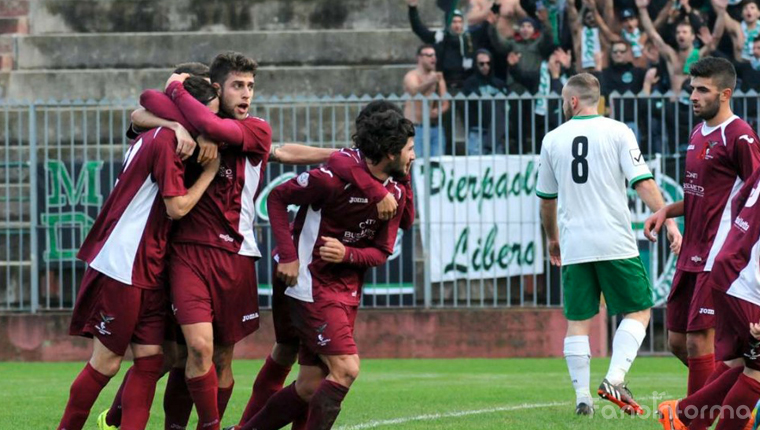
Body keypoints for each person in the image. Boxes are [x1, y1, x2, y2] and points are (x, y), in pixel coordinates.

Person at [234, 100, 416, 429]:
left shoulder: (395, 192)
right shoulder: (333, 178)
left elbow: (383, 249)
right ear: (390, 151)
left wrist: (347, 254)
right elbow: (277, 198)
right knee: (344, 367)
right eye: (410, 148)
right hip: (309, 284)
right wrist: (289, 256)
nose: (415, 155)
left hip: (344, 291)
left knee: (306, 383)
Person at [56, 77, 222, 430]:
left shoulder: (163, 132)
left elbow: (143, 110)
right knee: (107, 362)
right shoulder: (164, 141)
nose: (211, 124)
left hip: (147, 264)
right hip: (124, 263)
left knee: (150, 360)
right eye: (208, 115)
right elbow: (176, 208)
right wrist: (209, 173)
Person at [536, 72, 682, 416]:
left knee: (579, 319)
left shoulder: (552, 139)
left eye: (562, 99)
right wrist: (670, 220)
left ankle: (582, 397)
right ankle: (615, 378)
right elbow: (642, 182)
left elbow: (546, 200)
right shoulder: (618, 131)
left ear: (573, 101)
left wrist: (553, 239)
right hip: (615, 239)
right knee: (640, 309)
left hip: (575, 244)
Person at [641, 57, 760, 430]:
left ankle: (695, 420)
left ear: (725, 94)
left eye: (702, 90)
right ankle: (728, 403)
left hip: (720, 256)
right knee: (677, 341)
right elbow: (702, 195)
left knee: (701, 345)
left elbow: (754, 195)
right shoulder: (697, 133)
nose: (692, 95)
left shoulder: (739, 136)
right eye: (692, 87)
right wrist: (668, 211)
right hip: (690, 252)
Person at [403, 44, 450, 157]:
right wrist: (431, 81)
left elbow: (446, 103)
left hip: (435, 128)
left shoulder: (437, 77)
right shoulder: (411, 76)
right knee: (417, 164)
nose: (433, 58)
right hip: (416, 129)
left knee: (437, 164)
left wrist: (439, 111)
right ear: (419, 57)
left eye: (434, 55)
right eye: (429, 55)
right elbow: (414, 92)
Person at [462, 48, 507, 155]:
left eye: (488, 63)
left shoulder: (498, 83)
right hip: (477, 131)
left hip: (496, 134)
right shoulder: (469, 83)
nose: (485, 66)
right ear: (476, 64)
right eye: (481, 64)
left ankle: (491, 143)